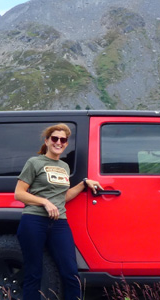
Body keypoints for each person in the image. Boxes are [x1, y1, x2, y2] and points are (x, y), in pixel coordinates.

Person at [14, 123, 101, 300]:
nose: (59, 142)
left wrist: (84, 183)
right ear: (47, 141)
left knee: (71, 272)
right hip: (34, 221)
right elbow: (19, 193)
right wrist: (44, 202)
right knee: (34, 272)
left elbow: (63, 196)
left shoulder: (64, 167)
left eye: (63, 140)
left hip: (59, 223)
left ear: (66, 144)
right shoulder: (34, 162)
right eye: (55, 138)